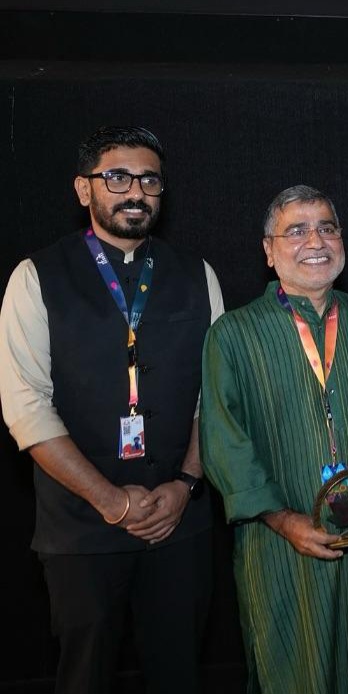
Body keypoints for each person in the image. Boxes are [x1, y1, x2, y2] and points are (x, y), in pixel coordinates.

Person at [0, 125, 223, 693]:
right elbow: (25, 406)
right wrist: (111, 500)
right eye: (117, 177)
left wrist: (185, 483)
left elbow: (218, 396)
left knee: (178, 674)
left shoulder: (199, 275)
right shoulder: (34, 278)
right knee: (85, 678)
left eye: (149, 180)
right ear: (84, 189)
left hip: (180, 521)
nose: (135, 191)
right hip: (81, 529)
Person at [199, 184, 348, 694]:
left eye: (326, 227)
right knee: (293, 669)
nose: (314, 240)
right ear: (268, 249)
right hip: (279, 547)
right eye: (295, 230)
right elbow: (224, 442)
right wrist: (285, 520)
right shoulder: (232, 335)